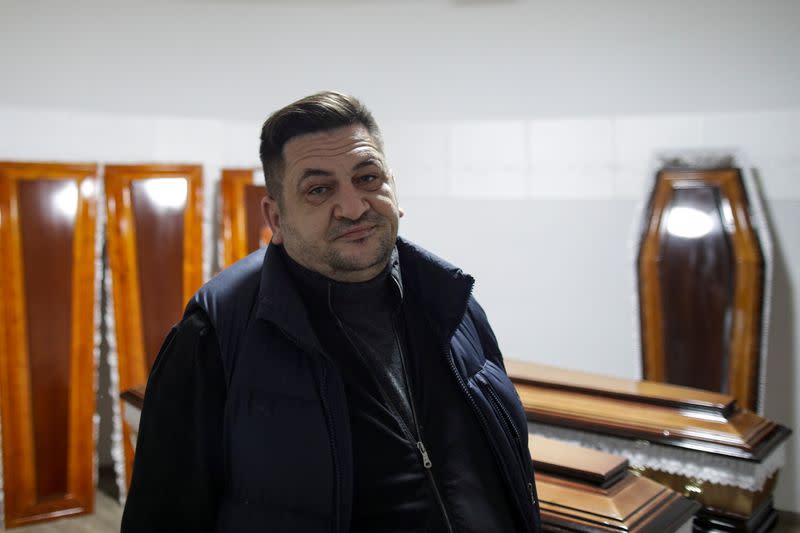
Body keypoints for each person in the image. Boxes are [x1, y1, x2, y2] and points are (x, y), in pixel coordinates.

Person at [121, 91, 541, 532]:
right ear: (276, 218)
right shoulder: (216, 335)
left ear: (393, 189)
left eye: (367, 178)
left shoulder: (452, 299)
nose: (354, 207)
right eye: (319, 190)